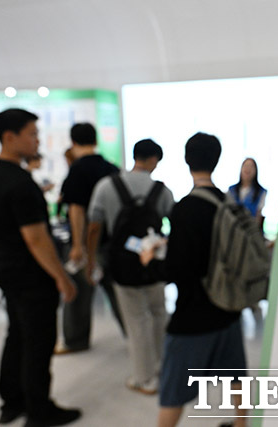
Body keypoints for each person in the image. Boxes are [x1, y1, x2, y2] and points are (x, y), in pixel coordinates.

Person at [141, 132, 247, 427]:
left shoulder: (186, 208)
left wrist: (151, 261)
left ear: (187, 160)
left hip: (194, 315)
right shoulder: (229, 202)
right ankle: (242, 424)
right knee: (235, 374)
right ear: (217, 160)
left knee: (173, 389)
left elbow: (178, 270)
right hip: (228, 307)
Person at [0, 108, 81, 426]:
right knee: (38, 342)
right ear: (9, 137)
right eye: (32, 134)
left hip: (7, 270)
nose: (38, 140)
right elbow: (37, 239)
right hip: (29, 276)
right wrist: (62, 278)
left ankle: (12, 402)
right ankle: (39, 410)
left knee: (17, 334)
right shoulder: (19, 182)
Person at [86, 139, 174, 394]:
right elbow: (175, 223)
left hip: (122, 265)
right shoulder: (162, 190)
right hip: (154, 263)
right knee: (159, 314)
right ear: (154, 159)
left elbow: (94, 226)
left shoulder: (106, 186)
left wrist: (91, 259)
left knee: (136, 321)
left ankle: (144, 379)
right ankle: (163, 368)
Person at [57, 122, 124, 353]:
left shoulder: (77, 170)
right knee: (119, 292)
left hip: (87, 241)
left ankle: (75, 340)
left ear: (73, 142)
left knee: (78, 294)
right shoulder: (111, 168)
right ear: (95, 141)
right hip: (112, 241)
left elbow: (77, 209)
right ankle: (135, 335)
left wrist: (78, 245)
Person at [228, 157, 267, 228]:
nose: (248, 169)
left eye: (251, 166)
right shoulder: (232, 189)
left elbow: (258, 215)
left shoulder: (261, 192)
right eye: (245, 166)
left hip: (249, 228)